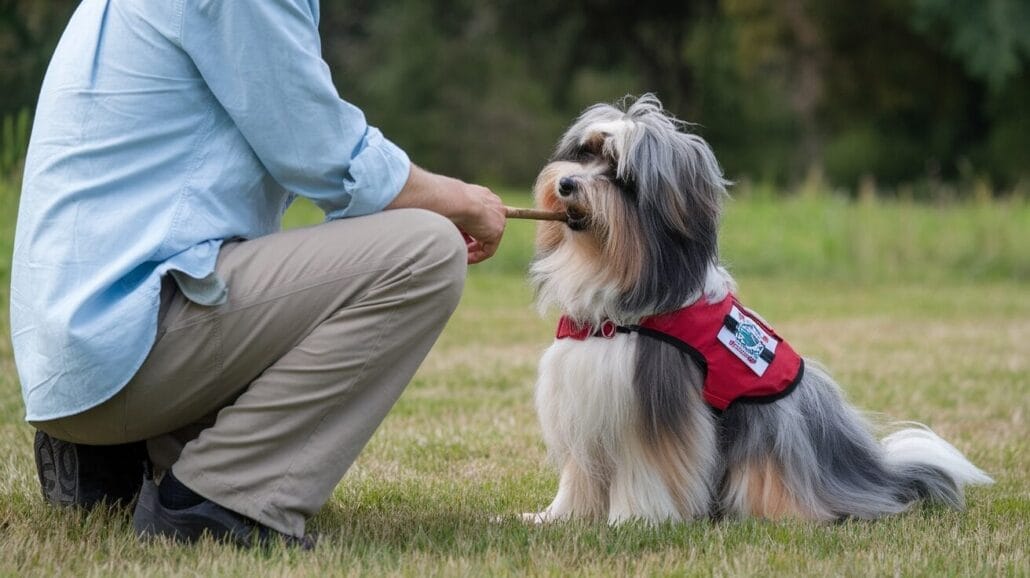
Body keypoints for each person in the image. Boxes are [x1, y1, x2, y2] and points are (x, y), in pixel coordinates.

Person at [12, 0, 506, 548]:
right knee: (425, 252)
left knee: (254, 249)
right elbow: (325, 153)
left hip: (72, 362)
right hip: (126, 347)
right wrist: (460, 201)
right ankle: (213, 499)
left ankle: (121, 457)